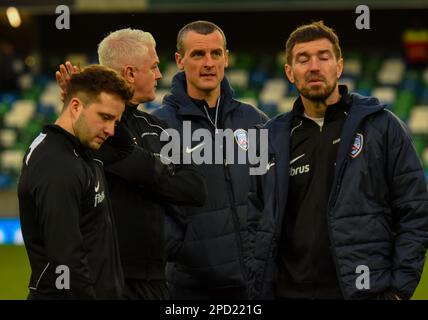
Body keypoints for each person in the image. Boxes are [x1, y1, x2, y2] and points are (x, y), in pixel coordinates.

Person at [247, 21, 428, 300]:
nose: (314, 67)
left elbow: (415, 210)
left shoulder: (380, 126)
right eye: (303, 59)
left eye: (324, 57)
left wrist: (399, 290)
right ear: (289, 72)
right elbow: (252, 219)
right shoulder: (270, 138)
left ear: (339, 66)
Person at [56, 28, 207, 300]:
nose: (160, 75)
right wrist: (160, 171)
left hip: (156, 280)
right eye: (154, 66)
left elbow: (195, 189)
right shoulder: (91, 131)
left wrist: (141, 170)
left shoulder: (158, 128)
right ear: (129, 74)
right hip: (105, 279)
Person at [153, 20, 269, 299]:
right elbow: (152, 204)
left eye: (216, 54)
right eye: (198, 54)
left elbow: (271, 194)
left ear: (226, 58)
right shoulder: (159, 127)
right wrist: (180, 248)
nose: (209, 63)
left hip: (253, 284)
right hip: (189, 287)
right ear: (180, 61)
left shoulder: (254, 121)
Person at [18, 65, 133, 299]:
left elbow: (125, 148)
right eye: (105, 117)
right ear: (76, 106)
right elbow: (66, 260)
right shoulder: (57, 164)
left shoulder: (83, 147)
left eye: (116, 121)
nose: (111, 130)